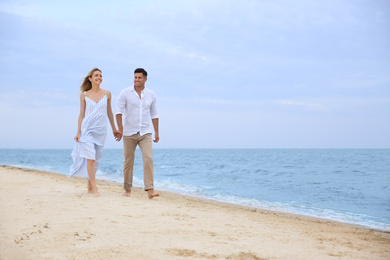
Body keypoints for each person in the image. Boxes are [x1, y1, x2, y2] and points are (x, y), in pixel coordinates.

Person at [70, 68, 121, 195]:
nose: (99, 77)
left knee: (96, 159)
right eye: (96, 75)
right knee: (90, 159)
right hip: (86, 130)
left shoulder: (107, 94)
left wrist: (115, 129)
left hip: (101, 131)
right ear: (90, 78)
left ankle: (89, 184)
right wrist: (78, 132)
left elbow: (109, 112)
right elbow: (81, 115)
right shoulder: (84, 95)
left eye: (100, 75)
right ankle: (95, 188)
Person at [115, 68, 160, 199]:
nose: (136, 80)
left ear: (145, 79)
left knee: (148, 158)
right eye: (135, 77)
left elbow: (154, 114)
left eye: (139, 78)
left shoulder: (151, 94)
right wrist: (120, 128)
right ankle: (127, 190)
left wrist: (157, 132)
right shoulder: (125, 93)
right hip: (129, 132)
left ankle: (150, 189)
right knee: (128, 161)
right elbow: (118, 111)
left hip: (146, 132)